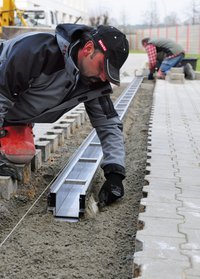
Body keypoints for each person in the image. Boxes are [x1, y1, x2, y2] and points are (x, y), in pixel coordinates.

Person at [0, 23, 129, 207]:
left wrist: (115, 174)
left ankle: (14, 125)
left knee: (20, 154)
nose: (103, 77)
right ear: (88, 48)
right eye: (102, 67)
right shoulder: (37, 52)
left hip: (13, 111)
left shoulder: (93, 80)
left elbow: (108, 124)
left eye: (108, 74)